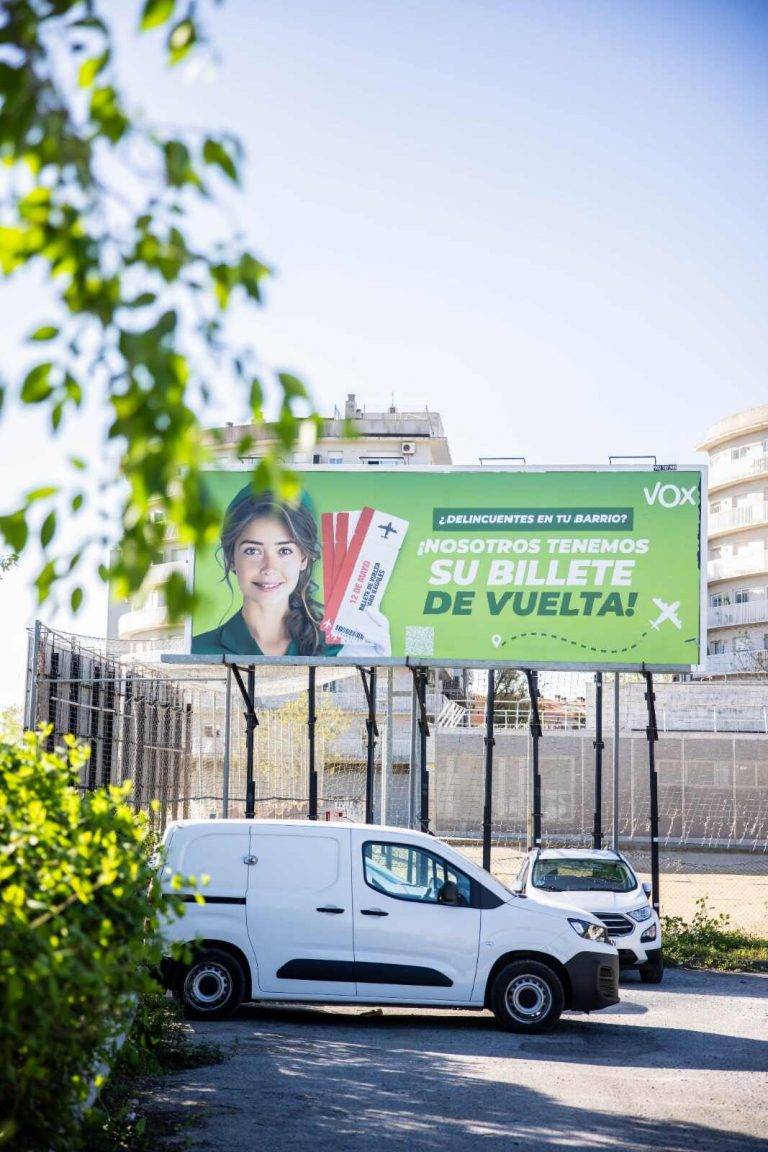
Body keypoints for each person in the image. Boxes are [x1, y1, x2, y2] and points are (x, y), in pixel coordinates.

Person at [192, 486, 342, 657]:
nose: (269, 568)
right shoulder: (198, 652)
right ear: (231, 558)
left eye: (285, 551)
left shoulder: (335, 651)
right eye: (252, 551)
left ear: (303, 559)